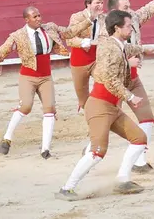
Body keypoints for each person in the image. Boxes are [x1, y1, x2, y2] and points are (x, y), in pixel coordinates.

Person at [55, 10, 149, 201]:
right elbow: (108, 78)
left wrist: (144, 49)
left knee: (139, 138)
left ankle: (122, 180)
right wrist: (130, 96)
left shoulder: (117, 43)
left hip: (112, 106)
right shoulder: (109, 47)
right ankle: (67, 188)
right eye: (128, 26)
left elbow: (127, 49)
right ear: (117, 28)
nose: (131, 28)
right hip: (99, 105)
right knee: (98, 152)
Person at [0, 6, 92, 158]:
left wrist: (88, 20)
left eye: (39, 15)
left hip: (46, 77)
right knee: (25, 106)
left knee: (49, 109)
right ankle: (7, 138)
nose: (38, 19)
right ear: (26, 20)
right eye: (35, 17)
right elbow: (0, 53)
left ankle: (45, 149)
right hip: (28, 77)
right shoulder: (17, 36)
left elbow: (69, 32)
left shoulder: (50, 28)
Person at [102, 0, 154, 171]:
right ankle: (91, 149)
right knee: (105, 121)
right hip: (114, 82)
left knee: (147, 118)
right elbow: (105, 66)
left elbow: (148, 10)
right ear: (114, 12)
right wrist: (128, 63)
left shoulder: (133, 18)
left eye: (129, 6)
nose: (131, 10)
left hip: (133, 78)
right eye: (125, 7)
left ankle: (139, 161)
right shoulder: (105, 33)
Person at [66, 0, 108, 112]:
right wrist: (89, 42)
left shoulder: (104, 18)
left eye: (102, 2)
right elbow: (69, 39)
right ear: (88, 4)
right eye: (97, 3)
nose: (100, 5)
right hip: (79, 60)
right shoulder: (77, 17)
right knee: (83, 99)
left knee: (105, 83)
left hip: (97, 58)